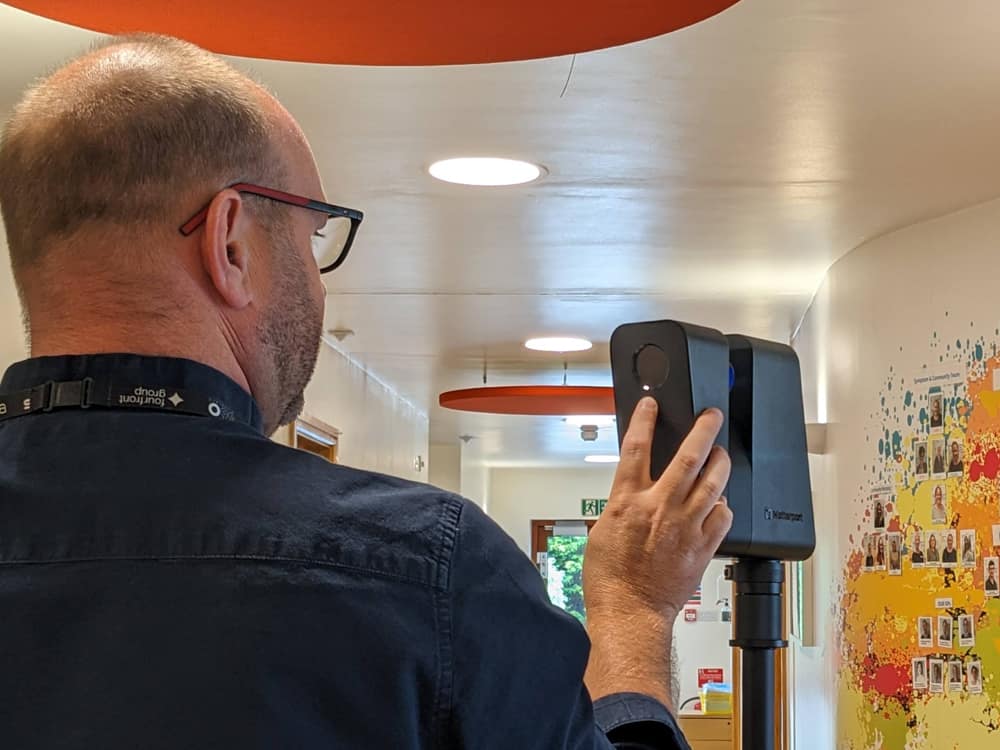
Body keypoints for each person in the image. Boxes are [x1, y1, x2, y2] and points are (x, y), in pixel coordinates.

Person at [0, 35, 735, 749]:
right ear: (230, 244)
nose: (318, 282)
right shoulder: (430, 572)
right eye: (313, 236)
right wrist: (634, 608)